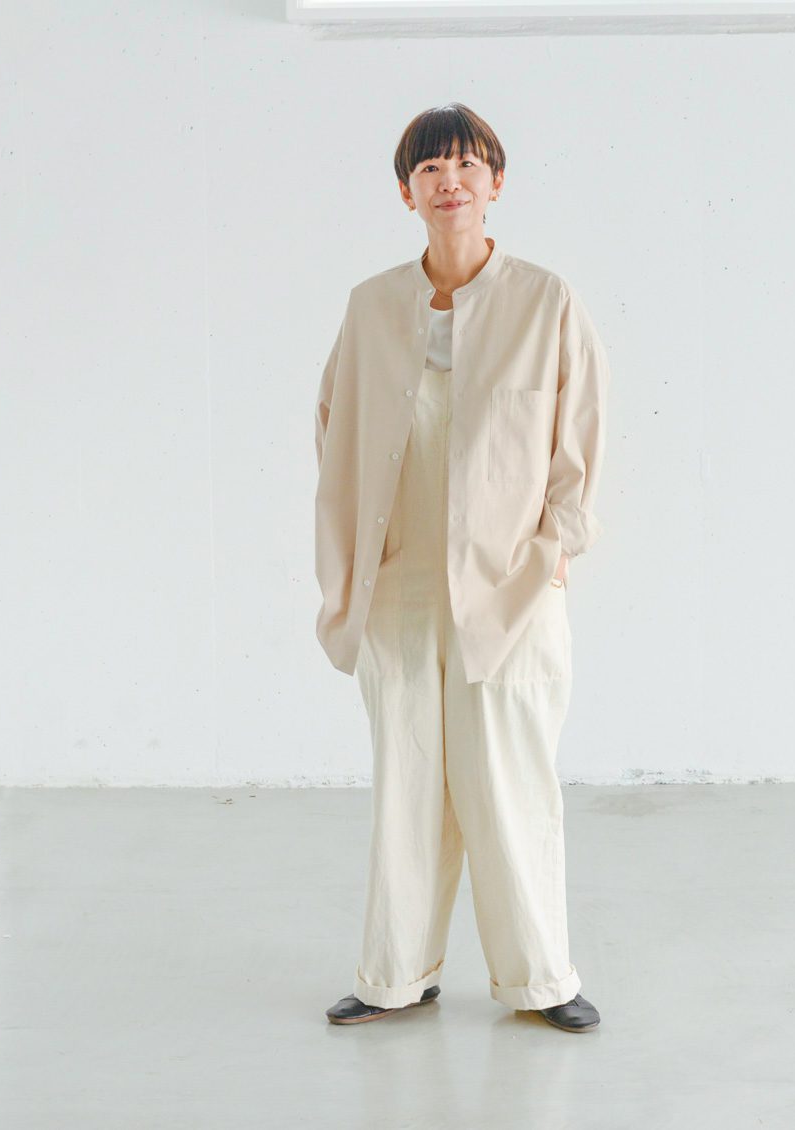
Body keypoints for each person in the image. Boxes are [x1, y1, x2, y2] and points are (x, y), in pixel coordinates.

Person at [315, 103, 609, 1033]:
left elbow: (579, 437)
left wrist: (555, 546)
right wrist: (353, 564)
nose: (451, 182)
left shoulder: (545, 301)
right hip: (400, 584)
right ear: (406, 192)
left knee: (509, 780)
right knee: (406, 780)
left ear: (496, 183)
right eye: (431, 169)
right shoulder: (371, 307)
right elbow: (334, 427)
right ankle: (394, 975)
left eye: (467, 165)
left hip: (509, 584)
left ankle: (541, 980)